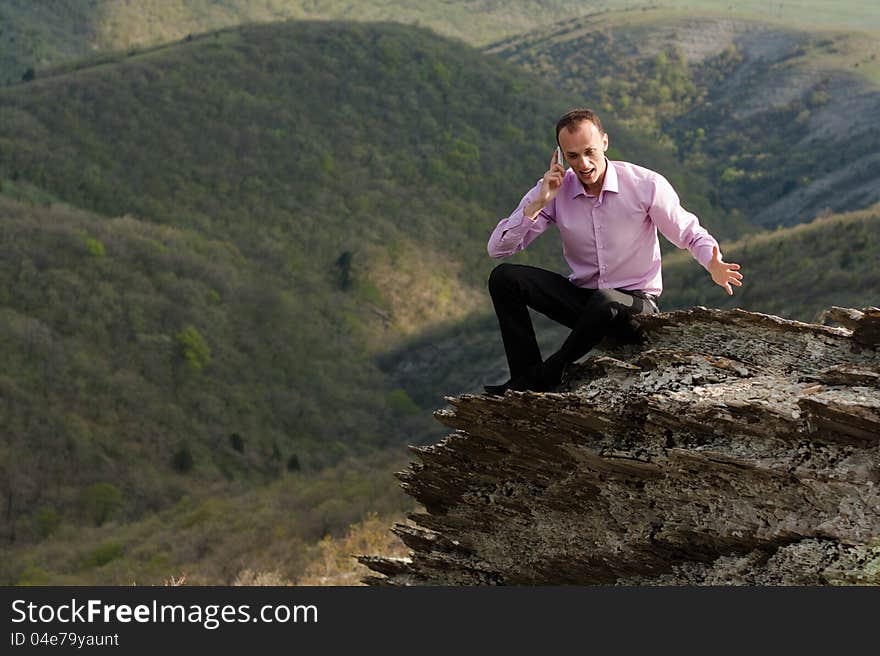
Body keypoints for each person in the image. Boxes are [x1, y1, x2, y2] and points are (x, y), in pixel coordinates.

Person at [484, 108, 743, 395]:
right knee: (504, 278)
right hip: (585, 305)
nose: (583, 164)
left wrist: (713, 263)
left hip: (635, 308)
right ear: (560, 156)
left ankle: (548, 375)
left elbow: (689, 232)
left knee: (606, 300)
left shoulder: (645, 185)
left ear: (604, 143)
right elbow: (498, 249)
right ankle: (525, 376)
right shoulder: (555, 191)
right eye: (572, 156)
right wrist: (538, 203)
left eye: (589, 152)